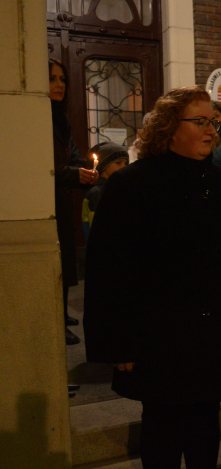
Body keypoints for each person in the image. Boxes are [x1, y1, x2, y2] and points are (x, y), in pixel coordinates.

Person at [83, 86, 221, 468]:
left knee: (204, 427)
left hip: (212, 333)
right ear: (168, 127)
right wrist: (118, 343)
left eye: (213, 122)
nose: (212, 130)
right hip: (157, 336)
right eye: (199, 122)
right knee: (162, 428)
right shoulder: (131, 185)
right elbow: (108, 269)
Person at [49, 58, 98, 345]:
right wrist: (73, 174)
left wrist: (87, 171)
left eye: (62, 79)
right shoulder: (37, 115)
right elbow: (44, 166)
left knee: (67, 259)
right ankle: (56, 320)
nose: (59, 85)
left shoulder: (61, 117)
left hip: (64, 200)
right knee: (58, 260)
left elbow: (72, 154)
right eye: (53, 79)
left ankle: (63, 310)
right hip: (50, 202)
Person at [81, 142, 129, 240]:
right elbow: (98, 226)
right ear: (103, 165)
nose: (124, 167)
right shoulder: (98, 192)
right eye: (118, 163)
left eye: (126, 163)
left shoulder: (119, 188)